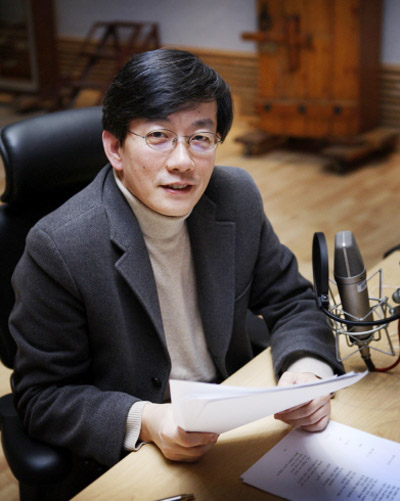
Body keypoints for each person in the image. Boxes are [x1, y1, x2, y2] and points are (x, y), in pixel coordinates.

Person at [10, 49, 343, 474]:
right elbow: (43, 396)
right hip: (140, 455)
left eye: (200, 138)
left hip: (237, 419)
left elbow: (293, 300)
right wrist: (147, 421)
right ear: (114, 148)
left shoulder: (235, 196)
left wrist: (308, 372)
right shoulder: (59, 246)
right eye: (158, 136)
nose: (183, 162)